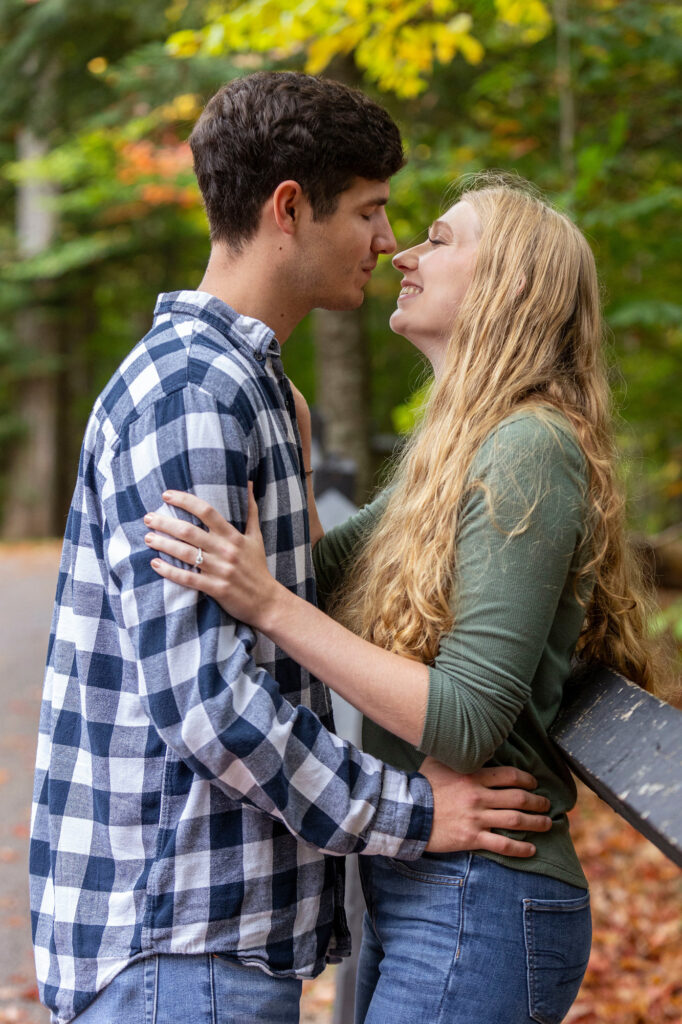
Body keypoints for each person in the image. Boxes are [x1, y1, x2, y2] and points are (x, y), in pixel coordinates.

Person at [29, 78, 551, 1024]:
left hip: (211, 946)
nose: (388, 241)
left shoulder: (255, 389)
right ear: (288, 208)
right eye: (370, 210)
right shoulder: (194, 392)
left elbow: (304, 606)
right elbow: (206, 702)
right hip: (177, 946)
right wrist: (414, 814)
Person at [144, 174, 661, 1024]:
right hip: (426, 874)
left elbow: (463, 721)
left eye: (440, 240)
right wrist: (300, 463)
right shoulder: (455, 450)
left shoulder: (530, 448)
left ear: (511, 285)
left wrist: (268, 604)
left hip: (485, 893)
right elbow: (322, 583)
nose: (402, 255)